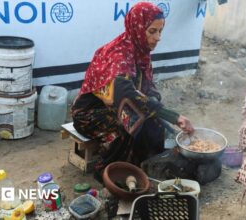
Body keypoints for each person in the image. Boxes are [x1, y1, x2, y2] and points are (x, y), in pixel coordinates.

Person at [71, 2, 194, 178]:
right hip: (88, 114)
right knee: (131, 123)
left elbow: (148, 90)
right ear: (137, 28)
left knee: (154, 123)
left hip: (116, 106)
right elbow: (125, 95)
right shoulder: (118, 54)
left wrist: (160, 114)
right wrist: (173, 116)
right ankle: (107, 171)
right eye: (152, 31)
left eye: (160, 31)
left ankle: (147, 165)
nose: (158, 37)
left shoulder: (141, 51)